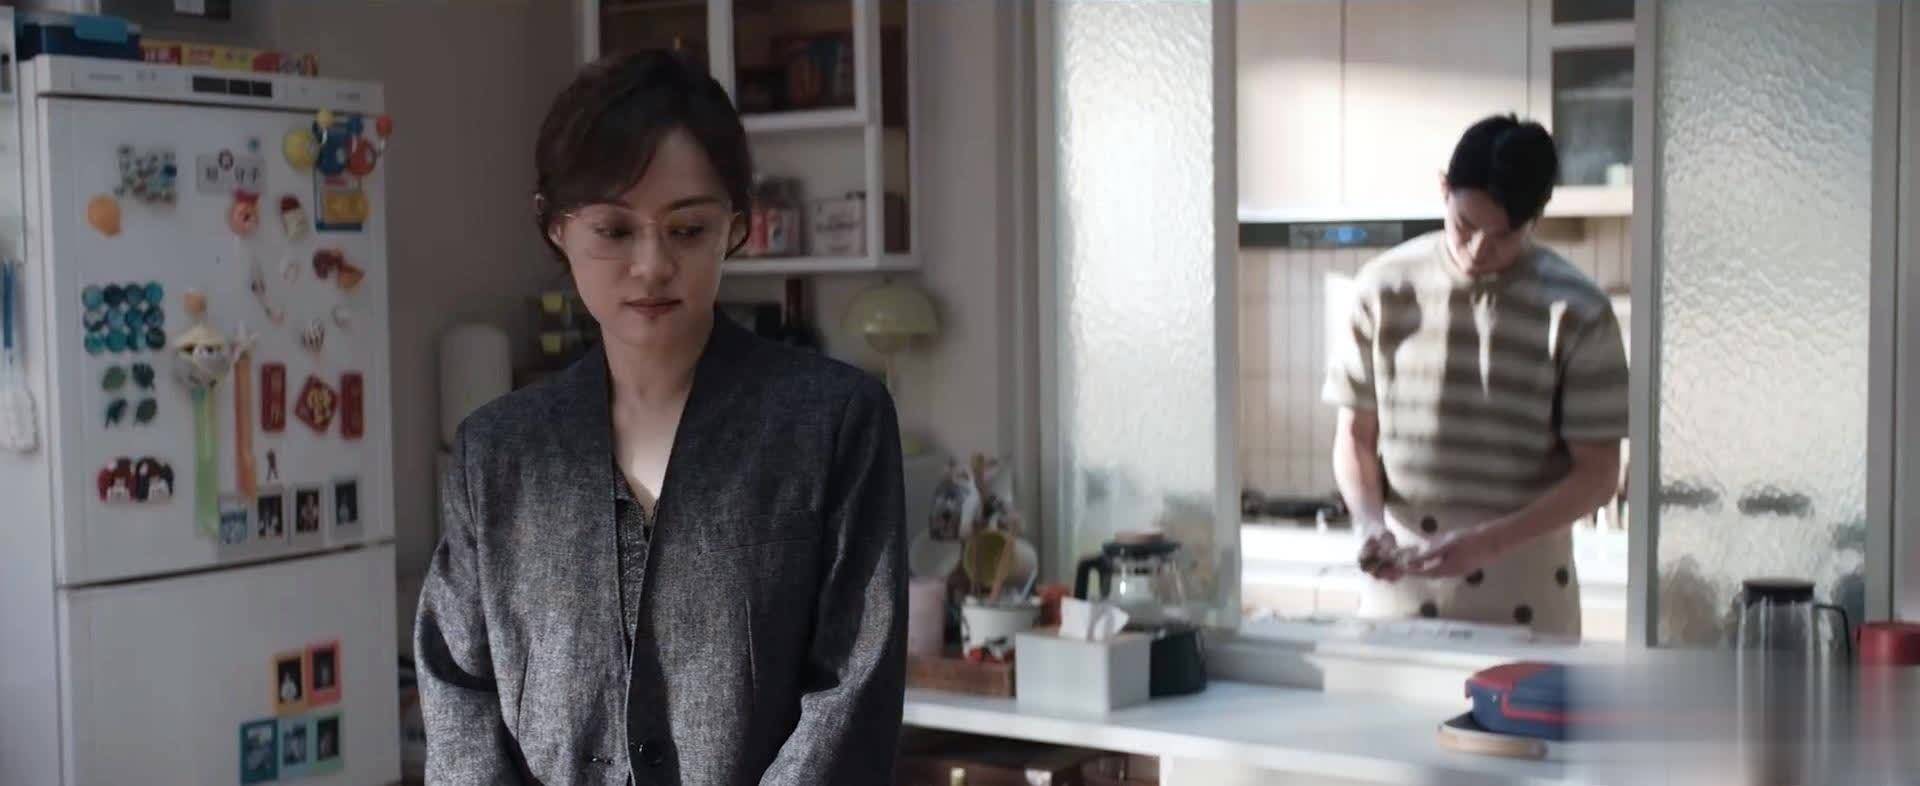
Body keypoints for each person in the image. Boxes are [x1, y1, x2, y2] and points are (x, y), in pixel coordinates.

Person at [414, 51, 907, 784]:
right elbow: (459, 701)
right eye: (615, 231)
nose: (651, 266)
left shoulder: (833, 424)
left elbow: (850, 699)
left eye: (687, 229)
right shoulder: (498, 453)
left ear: (735, 226)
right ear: (556, 228)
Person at [1326, 115, 1628, 639]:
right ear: (1444, 189)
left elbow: (1599, 475)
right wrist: (1369, 524)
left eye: (1502, 235)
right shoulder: (1381, 290)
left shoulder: (1578, 310)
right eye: (1465, 225)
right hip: (1398, 595)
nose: (1479, 250)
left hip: (1527, 599)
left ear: (1534, 217)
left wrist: (1487, 543)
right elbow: (1354, 437)